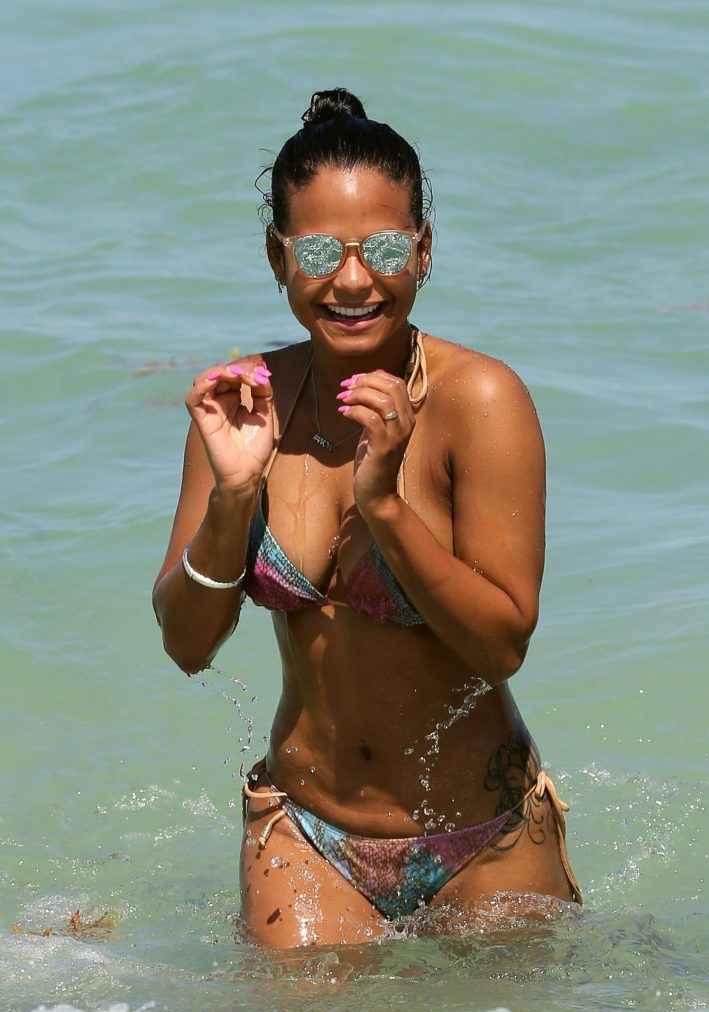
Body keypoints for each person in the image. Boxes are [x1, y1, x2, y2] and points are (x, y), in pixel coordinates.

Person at [152, 88, 582, 948]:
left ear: (422, 251)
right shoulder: (244, 407)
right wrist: (233, 497)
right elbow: (187, 644)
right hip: (302, 830)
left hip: (483, 835)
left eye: (384, 248)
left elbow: (501, 645)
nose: (352, 281)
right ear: (277, 257)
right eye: (318, 252)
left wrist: (383, 506)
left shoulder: (479, 400)